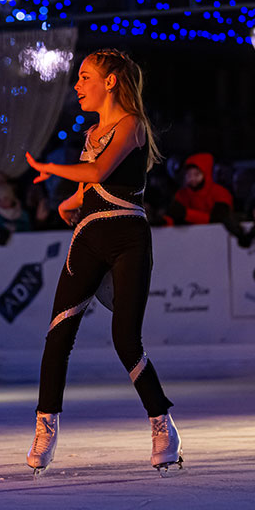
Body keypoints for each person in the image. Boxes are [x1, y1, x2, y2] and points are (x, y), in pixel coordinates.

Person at [24, 48, 181, 474]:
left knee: (126, 339)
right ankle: (45, 425)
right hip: (88, 239)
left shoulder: (132, 126)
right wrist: (69, 202)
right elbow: (93, 184)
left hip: (129, 239)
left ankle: (162, 424)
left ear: (110, 81)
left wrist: (54, 169)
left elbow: (98, 172)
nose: (77, 85)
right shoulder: (92, 132)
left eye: (85, 77)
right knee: (58, 335)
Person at [165, 152, 233, 226]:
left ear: (206, 174)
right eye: (189, 174)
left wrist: (187, 214)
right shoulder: (181, 194)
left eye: (197, 174)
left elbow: (217, 219)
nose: (192, 178)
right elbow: (174, 219)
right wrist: (164, 221)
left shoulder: (221, 193)